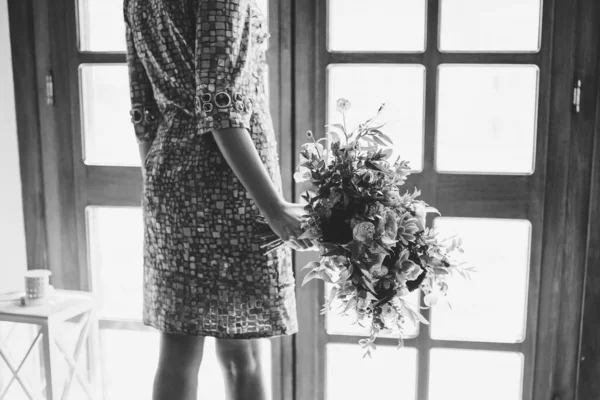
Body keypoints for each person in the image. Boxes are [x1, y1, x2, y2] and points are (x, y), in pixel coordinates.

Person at [124, 1, 311, 399]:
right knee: (243, 353)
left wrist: (165, 191)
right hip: (233, 188)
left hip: (168, 177)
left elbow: (142, 109)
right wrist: (272, 206)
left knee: (176, 350)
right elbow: (220, 103)